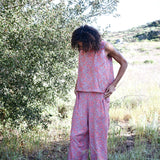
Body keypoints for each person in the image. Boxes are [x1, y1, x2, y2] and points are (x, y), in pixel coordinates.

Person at [67, 25, 128, 160]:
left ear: (90, 39)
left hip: (99, 96)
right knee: (76, 135)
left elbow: (124, 62)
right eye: (78, 45)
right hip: (82, 95)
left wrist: (113, 85)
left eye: (82, 44)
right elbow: (84, 68)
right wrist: (78, 83)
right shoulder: (82, 49)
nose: (80, 47)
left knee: (97, 137)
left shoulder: (105, 47)